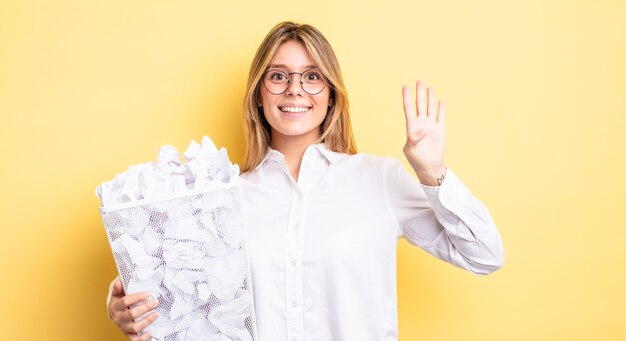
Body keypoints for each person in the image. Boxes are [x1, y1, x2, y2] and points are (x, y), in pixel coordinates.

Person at [106, 21, 504, 341]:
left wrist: (432, 171)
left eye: (312, 76)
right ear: (259, 95)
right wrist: (130, 309)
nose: (295, 88)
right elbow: (187, 307)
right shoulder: (221, 200)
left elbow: (485, 255)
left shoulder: (379, 180)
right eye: (278, 76)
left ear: (330, 94)